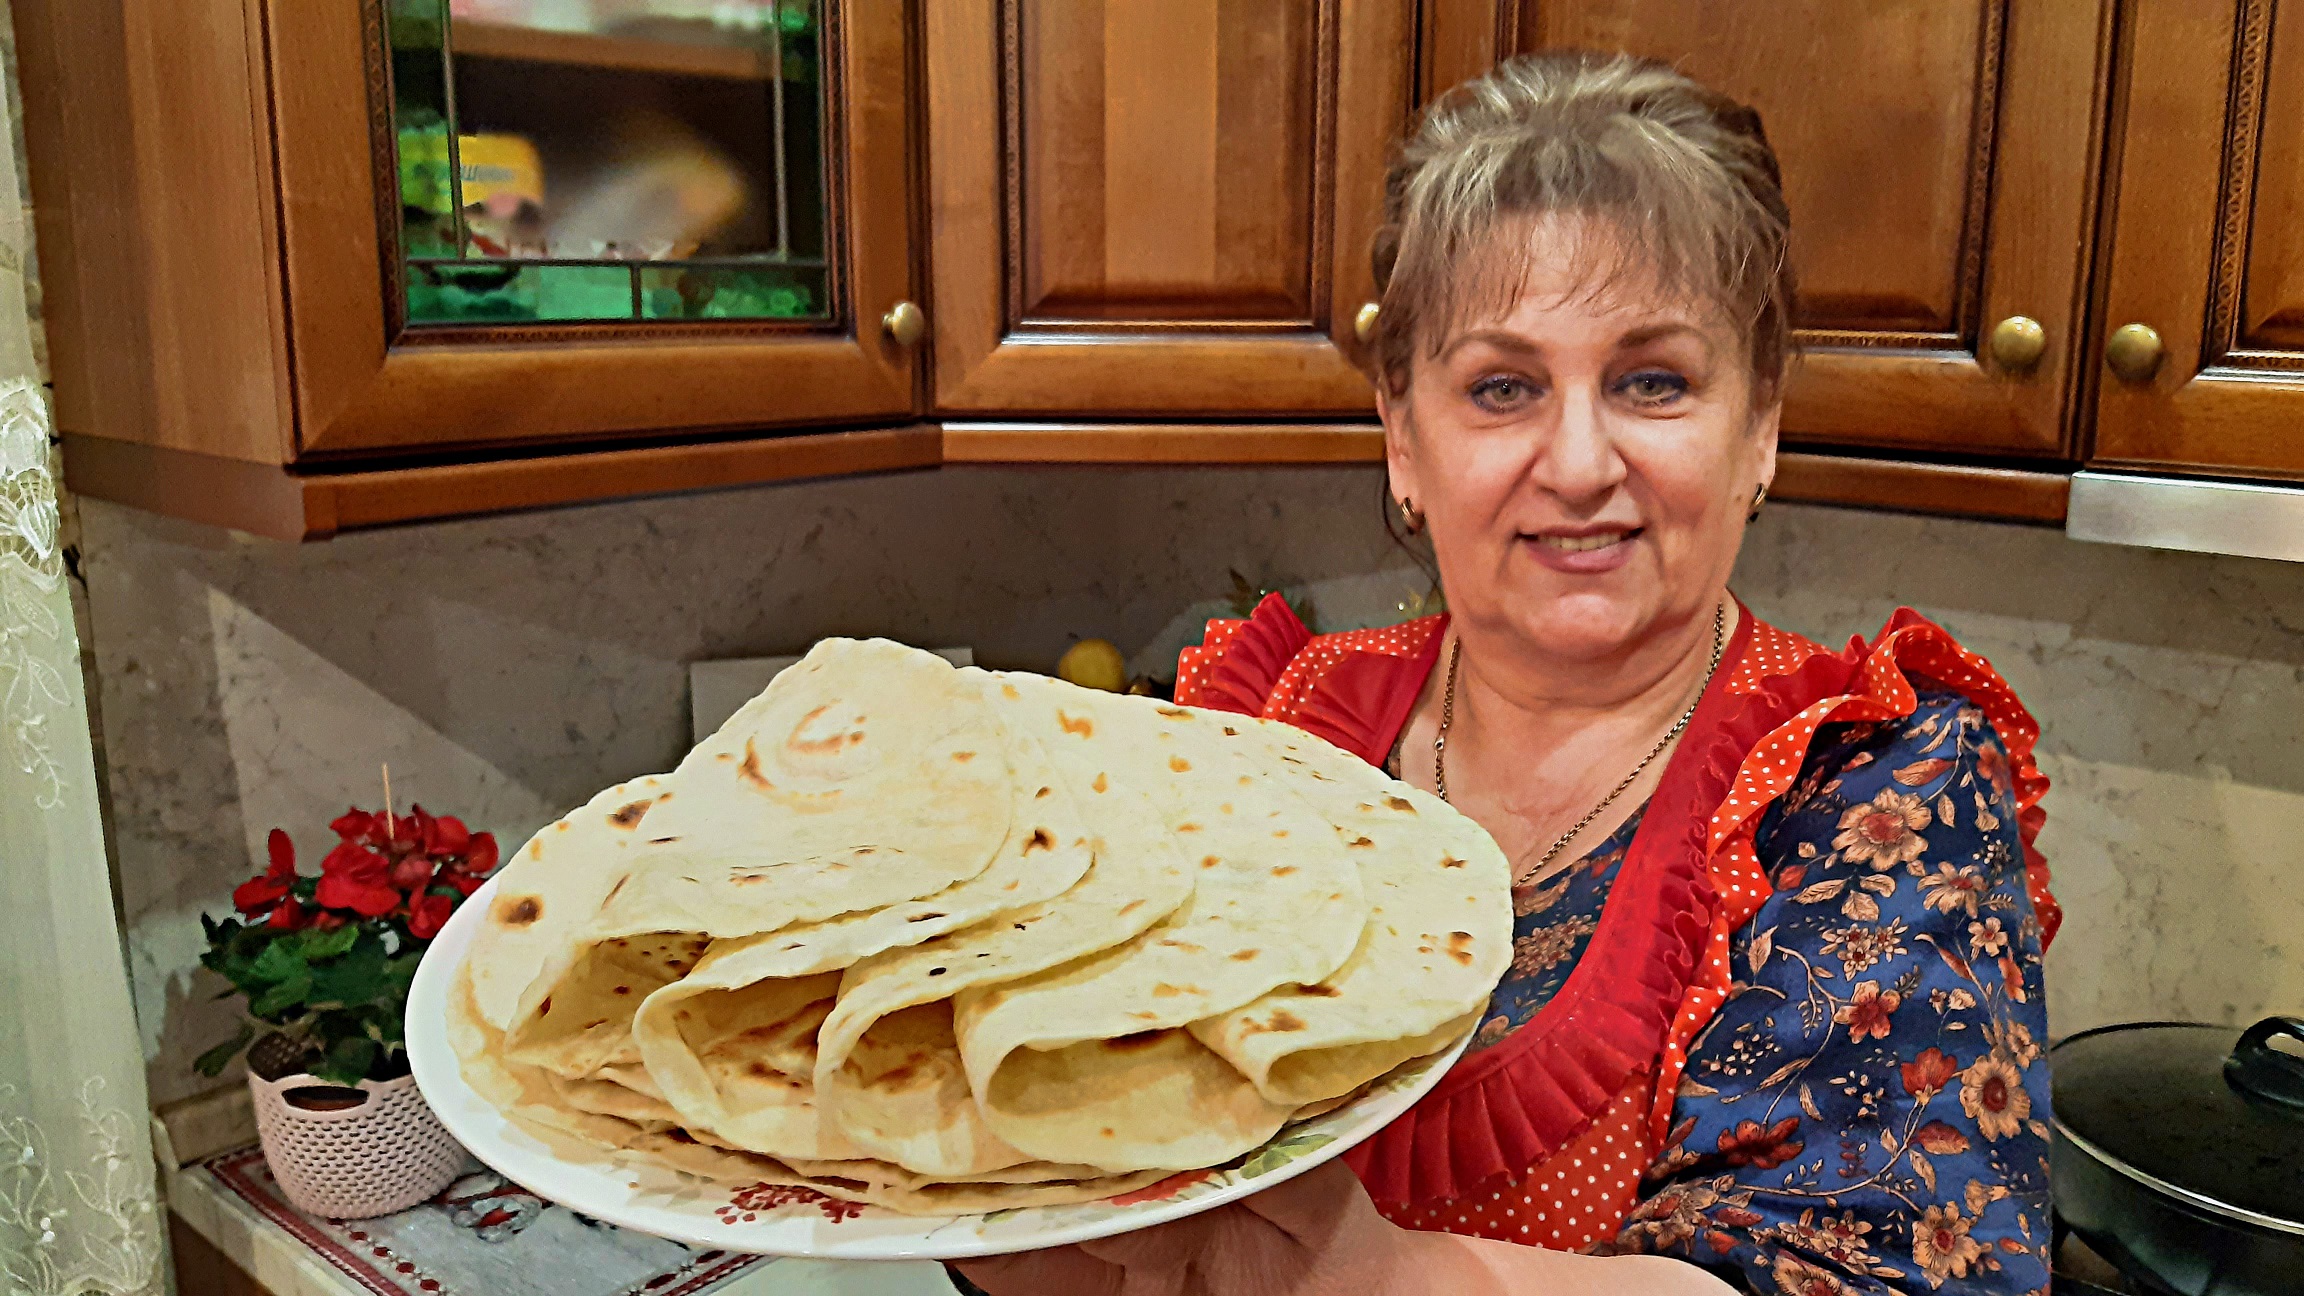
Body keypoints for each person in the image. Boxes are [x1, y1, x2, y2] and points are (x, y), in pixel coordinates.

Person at [956, 50, 2056, 1296]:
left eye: (1654, 381)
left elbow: (1874, 1276)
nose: (1580, 462)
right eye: (1502, 387)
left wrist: (1360, 1281)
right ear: (1402, 435)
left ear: (1759, 424)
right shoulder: (1264, 730)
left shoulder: (1872, 786)